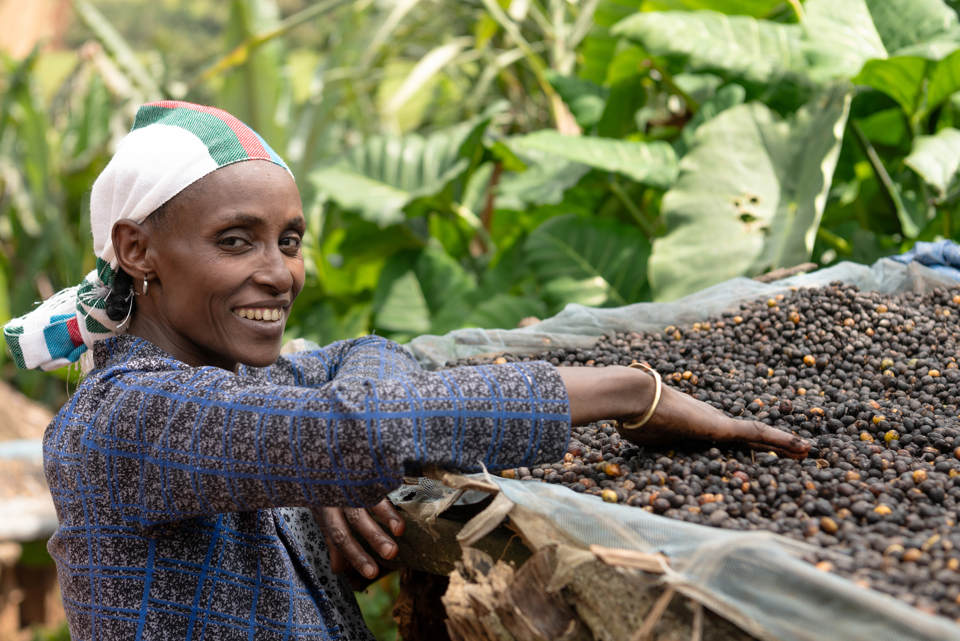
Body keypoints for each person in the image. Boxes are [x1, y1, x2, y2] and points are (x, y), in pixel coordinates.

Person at [3, 101, 809, 641]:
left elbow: (365, 360)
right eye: (236, 240)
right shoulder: (124, 416)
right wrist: (630, 392)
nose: (279, 273)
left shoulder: (254, 389)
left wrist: (312, 461)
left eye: (289, 240)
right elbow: (360, 426)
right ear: (139, 249)